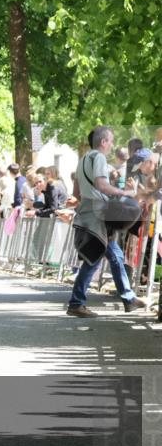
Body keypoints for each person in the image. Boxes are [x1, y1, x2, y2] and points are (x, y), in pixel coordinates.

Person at [67, 126, 146, 317]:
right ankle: (76, 303)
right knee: (94, 258)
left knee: (115, 255)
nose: (111, 145)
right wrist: (125, 193)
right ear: (103, 142)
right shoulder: (99, 158)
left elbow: (76, 193)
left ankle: (128, 298)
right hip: (98, 214)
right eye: (110, 141)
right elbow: (102, 185)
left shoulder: (83, 159)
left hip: (87, 211)